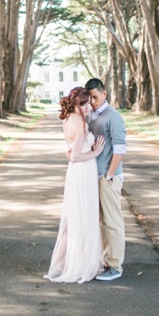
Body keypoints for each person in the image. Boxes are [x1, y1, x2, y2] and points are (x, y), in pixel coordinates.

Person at [44, 87, 106, 284]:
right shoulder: (79, 123)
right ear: (75, 103)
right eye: (83, 103)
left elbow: (70, 151)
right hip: (82, 171)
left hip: (77, 174)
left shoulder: (68, 120)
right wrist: (96, 152)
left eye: (88, 102)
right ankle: (80, 264)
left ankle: (60, 265)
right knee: (83, 216)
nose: (87, 106)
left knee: (74, 218)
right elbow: (77, 156)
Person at [85, 78, 127, 282]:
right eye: (90, 97)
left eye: (95, 96)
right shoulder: (91, 116)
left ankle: (115, 265)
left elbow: (119, 150)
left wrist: (110, 175)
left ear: (104, 94)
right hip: (94, 176)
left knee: (113, 222)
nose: (92, 101)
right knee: (100, 221)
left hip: (108, 177)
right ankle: (105, 261)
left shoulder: (113, 116)